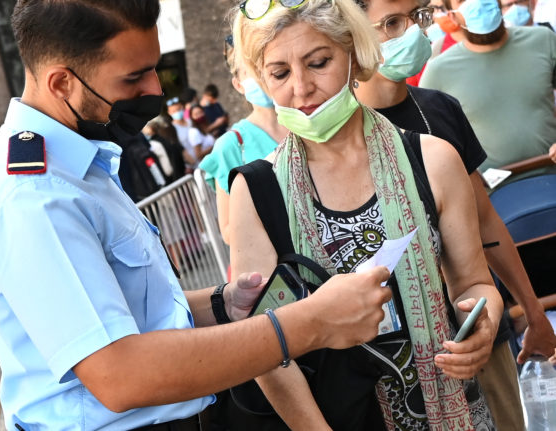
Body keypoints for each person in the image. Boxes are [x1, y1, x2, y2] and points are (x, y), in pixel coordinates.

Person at [0, 1, 395, 429]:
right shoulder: (34, 196)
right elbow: (119, 374)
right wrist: (311, 323)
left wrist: (219, 305)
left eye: (154, 67)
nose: (154, 89)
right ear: (61, 83)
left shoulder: (76, 164)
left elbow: (120, 311)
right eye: (134, 77)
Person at [229, 0, 503, 429]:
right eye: (279, 73)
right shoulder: (258, 191)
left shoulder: (431, 160)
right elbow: (265, 350)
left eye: (318, 63)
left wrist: (483, 324)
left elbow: (474, 281)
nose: (301, 89)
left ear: (354, 56)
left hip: (456, 413)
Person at [353, 0, 556, 428]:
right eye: (390, 23)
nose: (410, 32)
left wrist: (533, 313)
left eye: (417, 16)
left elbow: (485, 221)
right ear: (353, 35)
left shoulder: (440, 108)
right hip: (401, 364)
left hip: (481, 331)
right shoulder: (345, 136)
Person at [420, 0, 556, 179]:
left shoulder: (543, 39)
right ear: (452, 15)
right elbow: (428, 144)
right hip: (493, 192)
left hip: (551, 173)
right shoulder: (438, 70)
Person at [199, 39, 287, 245]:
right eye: (249, 71)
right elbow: (229, 232)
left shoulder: (308, 121)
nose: (261, 77)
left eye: (263, 66)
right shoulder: (230, 146)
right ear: (238, 84)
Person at [167, 96, 197, 170]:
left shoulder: (190, 121)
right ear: (169, 113)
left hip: (204, 156)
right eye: (174, 111)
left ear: (182, 108)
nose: (177, 112)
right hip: (192, 165)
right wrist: (190, 162)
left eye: (178, 109)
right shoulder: (172, 129)